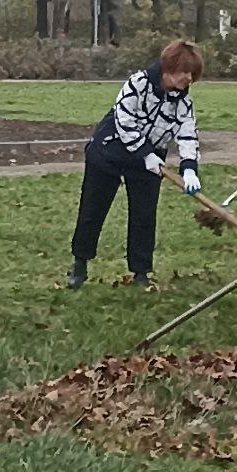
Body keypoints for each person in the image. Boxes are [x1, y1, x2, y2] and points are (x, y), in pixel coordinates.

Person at [68, 40, 203, 289]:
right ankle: (80, 264)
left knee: (144, 216)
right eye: (185, 72)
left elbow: (187, 135)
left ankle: (141, 272)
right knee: (92, 210)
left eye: (192, 74)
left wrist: (189, 168)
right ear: (168, 67)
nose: (189, 78)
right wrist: (145, 154)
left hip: (150, 161)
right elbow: (125, 121)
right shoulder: (138, 83)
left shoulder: (184, 103)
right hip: (110, 150)